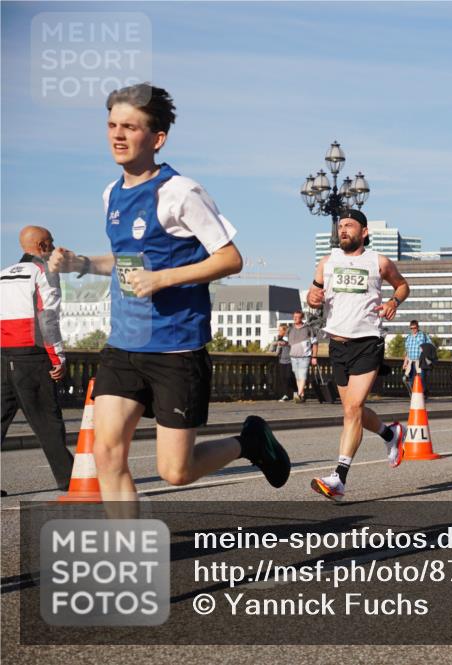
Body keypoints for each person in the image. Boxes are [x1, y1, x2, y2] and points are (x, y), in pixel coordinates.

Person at [48, 83, 290, 502]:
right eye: (111, 125)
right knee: (106, 454)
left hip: (175, 349)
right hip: (123, 344)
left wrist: (162, 279)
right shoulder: (111, 193)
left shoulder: (180, 192)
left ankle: (249, 443)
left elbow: (230, 259)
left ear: (157, 138)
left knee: (175, 471)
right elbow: (126, 259)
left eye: (130, 127)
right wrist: (81, 265)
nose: (117, 135)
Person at [306, 208, 410, 501]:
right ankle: (391, 435)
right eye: (341, 226)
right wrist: (312, 297)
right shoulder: (326, 263)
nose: (343, 230)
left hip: (367, 341)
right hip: (337, 344)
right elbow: (313, 296)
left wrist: (393, 302)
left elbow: (402, 285)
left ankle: (338, 478)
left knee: (352, 410)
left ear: (363, 232)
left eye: (349, 226)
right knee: (353, 409)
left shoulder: (378, 262)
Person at [1, 226, 74, 491]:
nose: (54, 247)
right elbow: (47, 318)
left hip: (2, 355)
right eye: (51, 243)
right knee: (47, 420)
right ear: (42, 246)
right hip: (31, 357)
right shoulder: (43, 271)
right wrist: (58, 358)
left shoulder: (4, 273)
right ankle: (69, 479)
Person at [288, 310, 317, 403]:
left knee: (303, 375)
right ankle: (302, 395)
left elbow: (315, 343)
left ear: (302, 318)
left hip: (305, 356)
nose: (295, 318)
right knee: (298, 377)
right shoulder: (290, 329)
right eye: (294, 317)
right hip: (293, 356)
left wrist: (314, 357)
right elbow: (285, 341)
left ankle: (299, 394)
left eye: (297, 317)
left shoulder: (308, 328)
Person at [402, 320, 432, 392]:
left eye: (414, 328)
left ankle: (423, 394)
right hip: (411, 362)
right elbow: (407, 352)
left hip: (421, 362)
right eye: (411, 328)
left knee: (421, 380)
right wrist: (405, 363)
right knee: (410, 380)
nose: (413, 330)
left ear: (418, 327)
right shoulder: (408, 337)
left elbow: (430, 346)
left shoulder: (423, 335)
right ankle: (414, 396)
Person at [268, 323, 294, 401]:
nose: (278, 331)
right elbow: (273, 350)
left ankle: (294, 393)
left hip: (290, 361)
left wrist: (285, 343)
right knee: (283, 379)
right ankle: (285, 395)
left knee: (289, 377)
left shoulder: (290, 337)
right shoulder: (279, 338)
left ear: (285, 331)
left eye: (280, 330)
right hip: (282, 361)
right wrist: (274, 344)